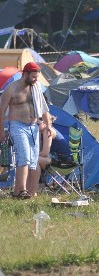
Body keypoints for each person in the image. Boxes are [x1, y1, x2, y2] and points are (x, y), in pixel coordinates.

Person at [0, 62, 52, 199]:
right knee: (24, 157)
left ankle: (30, 192)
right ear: (26, 74)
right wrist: (1, 131)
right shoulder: (11, 89)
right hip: (17, 125)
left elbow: (44, 108)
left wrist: (48, 126)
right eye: (33, 77)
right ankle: (21, 191)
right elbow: (2, 110)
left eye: (37, 77)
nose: (36, 79)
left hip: (34, 126)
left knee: (33, 161)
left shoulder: (36, 88)